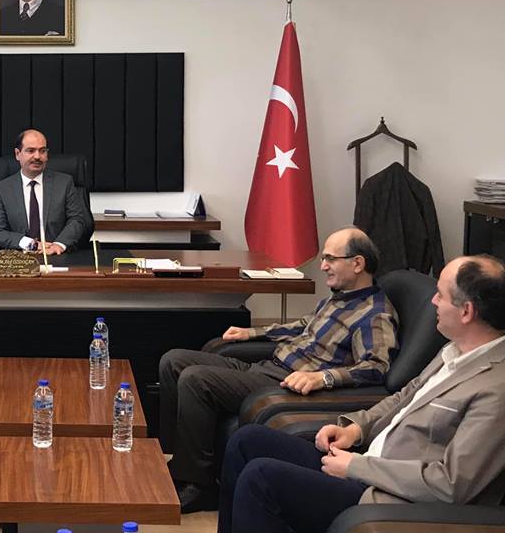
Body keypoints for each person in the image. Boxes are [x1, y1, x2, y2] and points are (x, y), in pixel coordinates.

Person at [219, 254, 505, 533]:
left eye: (440, 295)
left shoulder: (495, 390)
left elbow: (451, 484)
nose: (433, 302)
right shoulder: (453, 350)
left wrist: (357, 467)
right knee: (246, 440)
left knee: (261, 479)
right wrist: (356, 428)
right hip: (366, 461)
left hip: (387, 496)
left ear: (466, 311)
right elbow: (405, 397)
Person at [159, 227, 398, 513]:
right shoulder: (339, 297)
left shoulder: (375, 314)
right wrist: (252, 333)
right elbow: (303, 326)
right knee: (174, 361)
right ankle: (179, 463)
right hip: (267, 366)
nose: (323, 266)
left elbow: (376, 367)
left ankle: (200, 487)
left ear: (357, 263)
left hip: (284, 385)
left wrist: (322, 378)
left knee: (195, 379)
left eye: (330, 259)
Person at [0, 128, 90, 254]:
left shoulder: (64, 183)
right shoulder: (3, 188)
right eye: (30, 151)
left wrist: (59, 245)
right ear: (17, 154)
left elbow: (77, 220)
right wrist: (31, 244)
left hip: (57, 255)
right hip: (20, 256)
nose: (37, 156)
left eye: (42, 151)